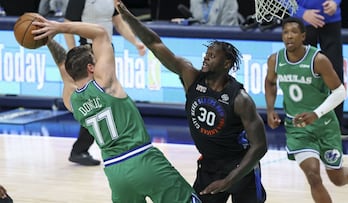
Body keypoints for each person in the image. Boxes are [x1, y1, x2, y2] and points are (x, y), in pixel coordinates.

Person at [32, 14, 201, 203]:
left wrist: (48, 41)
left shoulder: (71, 99)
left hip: (115, 172)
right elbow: (100, 34)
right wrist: (57, 27)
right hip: (143, 159)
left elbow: (63, 65)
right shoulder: (105, 83)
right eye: (95, 60)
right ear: (91, 68)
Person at [116, 1, 268, 202]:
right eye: (206, 54)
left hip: (241, 166)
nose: (205, 58)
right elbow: (155, 43)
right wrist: (129, 18)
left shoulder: (240, 99)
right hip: (210, 167)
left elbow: (260, 146)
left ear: (227, 63)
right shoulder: (191, 77)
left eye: (212, 56)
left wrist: (228, 181)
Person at [265, 17, 348, 203]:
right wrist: (270, 110)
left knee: (338, 179)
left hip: (324, 126)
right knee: (313, 177)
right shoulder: (275, 60)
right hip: (298, 129)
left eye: (293, 32)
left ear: (303, 36)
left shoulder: (318, 60)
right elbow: (270, 82)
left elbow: (340, 92)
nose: (289, 36)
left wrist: (316, 114)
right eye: (285, 32)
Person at [64, 0, 146, 166]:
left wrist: (135, 42)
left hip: (105, 49)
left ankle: (84, 148)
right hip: (86, 52)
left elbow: (118, 22)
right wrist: (72, 55)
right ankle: (80, 149)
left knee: (105, 101)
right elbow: (68, 25)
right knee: (95, 103)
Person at [293, 0, 348, 140]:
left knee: (335, 73)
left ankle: (335, 124)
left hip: (331, 21)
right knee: (303, 74)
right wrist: (302, 12)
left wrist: (335, 2)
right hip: (302, 22)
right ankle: (303, 124)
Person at [172, 0, 239, 26]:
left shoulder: (229, 1)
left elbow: (226, 31)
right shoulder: (194, 1)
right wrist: (185, 22)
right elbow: (196, 21)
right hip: (200, 42)